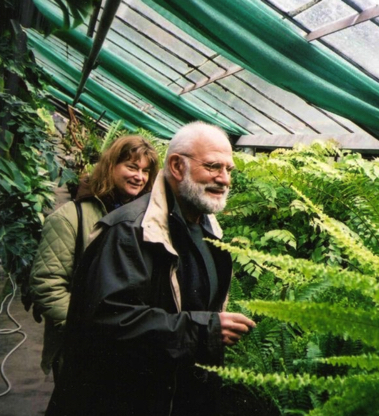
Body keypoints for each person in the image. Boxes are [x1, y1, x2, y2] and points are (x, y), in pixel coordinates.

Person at [45, 121, 256, 416]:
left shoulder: (205, 227)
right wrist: (202, 330)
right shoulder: (128, 231)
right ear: (177, 165)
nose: (224, 179)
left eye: (229, 169)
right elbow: (108, 322)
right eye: (212, 167)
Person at [29, 135, 159, 381]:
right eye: (131, 167)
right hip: (82, 345)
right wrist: (86, 330)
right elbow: (48, 284)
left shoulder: (147, 221)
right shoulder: (70, 218)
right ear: (110, 166)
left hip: (128, 345)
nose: (139, 177)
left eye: (145, 171)